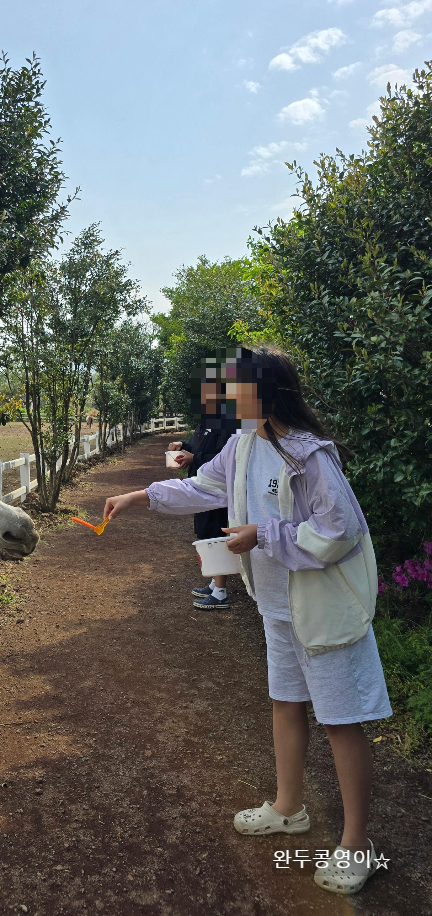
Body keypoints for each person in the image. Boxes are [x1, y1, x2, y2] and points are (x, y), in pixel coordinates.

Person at [102, 346, 391, 897]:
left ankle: (356, 843)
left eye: (237, 387)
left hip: (324, 608)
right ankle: (289, 808)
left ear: (267, 393)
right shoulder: (243, 446)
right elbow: (200, 487)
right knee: (285, 703)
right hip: (278, 607)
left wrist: (263, 535)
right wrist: (139, 496)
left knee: (340, 721)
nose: (228, 397)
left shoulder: (308, 455)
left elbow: (342, 530)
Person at [168, 361, 238, 609]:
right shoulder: (207, 418)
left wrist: (195, 458)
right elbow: (197, 445)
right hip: (202, 483)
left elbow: (228, 457)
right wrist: (182, 447)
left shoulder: (229, 420)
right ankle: (214, 582)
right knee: (205, 530)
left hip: (217, 487)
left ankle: (220, 592)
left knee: (215, 533)